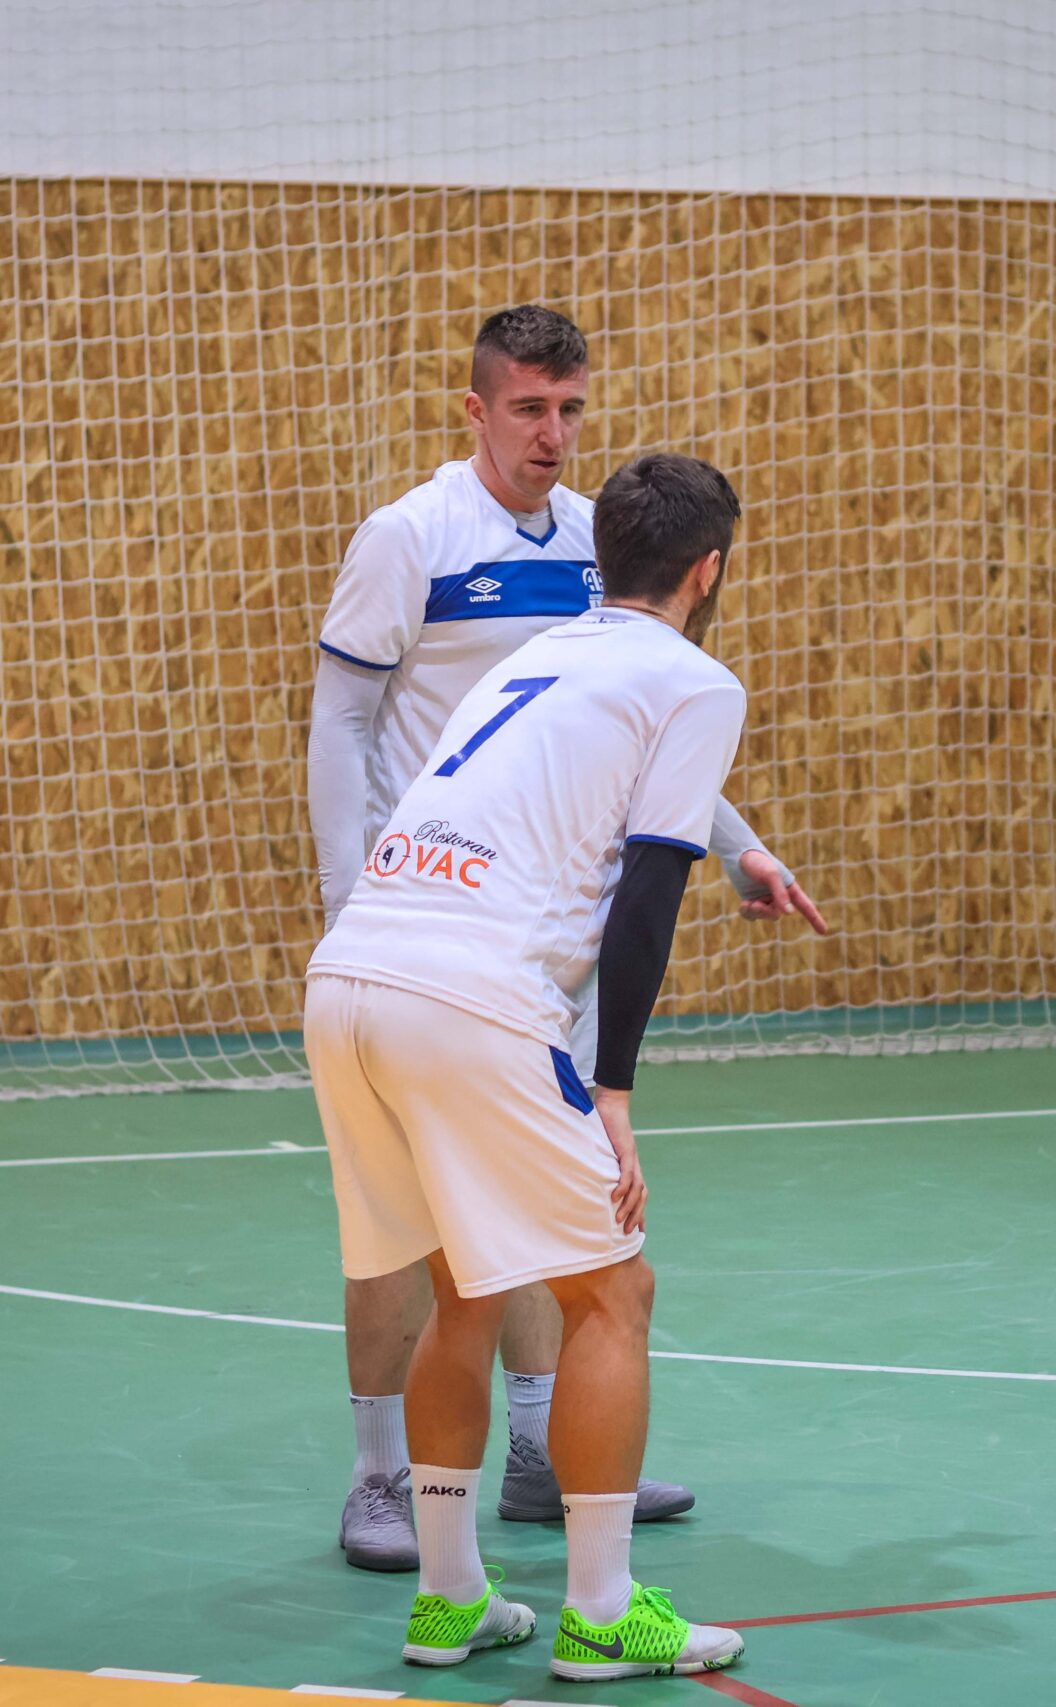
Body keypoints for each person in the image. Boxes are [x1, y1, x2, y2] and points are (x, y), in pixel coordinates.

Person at [307, 307, 830, 1572]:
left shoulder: (596, 560)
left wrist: (739, 844)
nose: (552, 432)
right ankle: (451, 1521)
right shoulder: (414, 536)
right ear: (476, 409)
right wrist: (346, 892)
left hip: (480, 946)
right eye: (529, 408)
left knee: (502, 1251)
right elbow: (343, 725)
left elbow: (628, 746)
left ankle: (528, 1479)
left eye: (570, 409)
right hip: (458, 938)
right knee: (538, 1260)